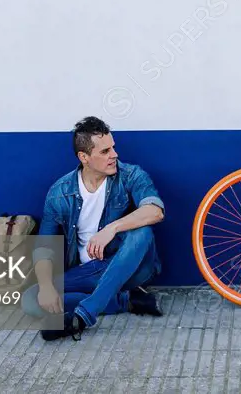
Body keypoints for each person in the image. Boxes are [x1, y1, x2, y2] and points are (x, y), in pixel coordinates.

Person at [22, 116, 165, 341]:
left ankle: (84, 315)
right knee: (32, 297)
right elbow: (44, 247)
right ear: (84, 157)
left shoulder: (131, 175)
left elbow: (155, 210)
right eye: (105, 151)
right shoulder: (60, 192)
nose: (114, 155)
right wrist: (47, 287)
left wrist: (112, 228)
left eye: (113, 148)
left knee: (142, 232)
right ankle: (126, 300)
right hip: (89, 272)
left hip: (128, 266)